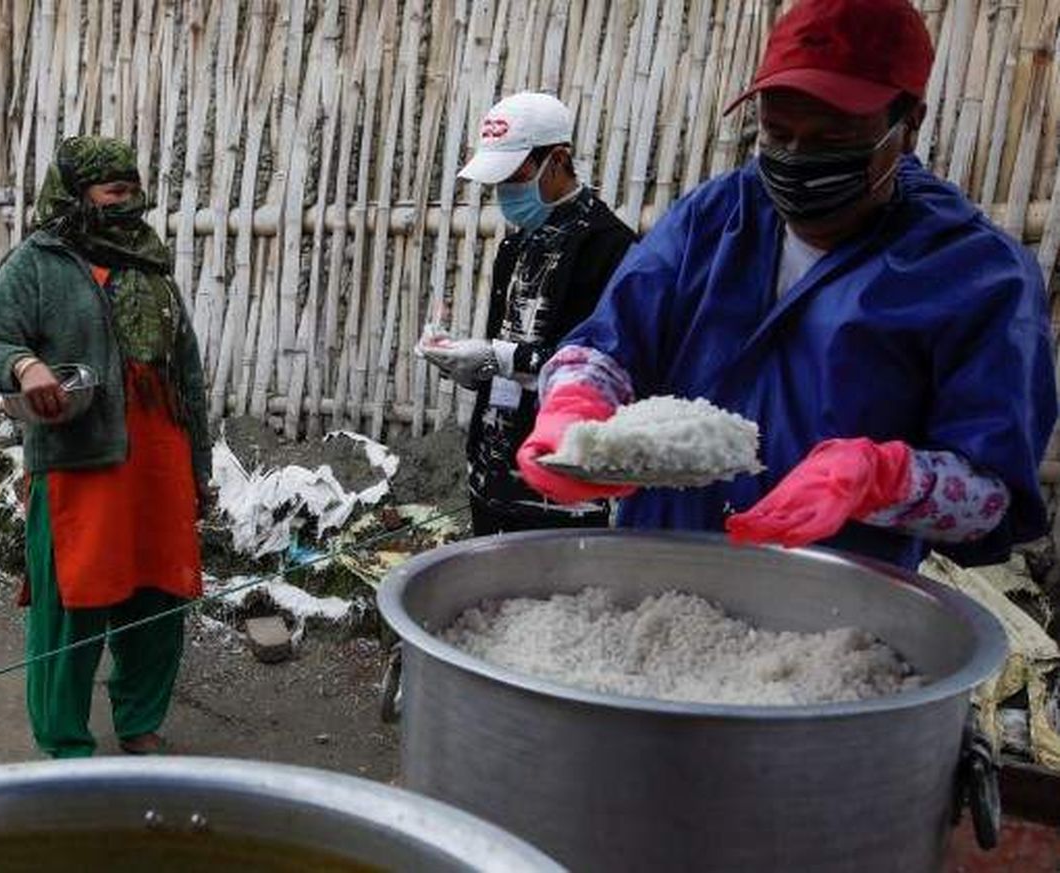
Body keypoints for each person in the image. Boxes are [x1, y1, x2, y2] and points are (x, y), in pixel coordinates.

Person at [516, 0, 1056, 569]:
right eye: (777, 132)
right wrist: (574, 406)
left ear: (910, 125)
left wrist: (881, 479)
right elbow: (606, 346)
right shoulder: (716, 216)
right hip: (659, 569)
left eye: (833, 139)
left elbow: (990, 496)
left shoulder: (976, 273)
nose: (798, 159)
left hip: (829, 608)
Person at [0, 135, 210, 758]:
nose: (128, 203)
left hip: (160, 462)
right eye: (114, 191)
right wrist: (26, 367)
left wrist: (200, 470)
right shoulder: (36, 263)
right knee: (74, 604)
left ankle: (139, 720)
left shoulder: (150, 267)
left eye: (133, 191)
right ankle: (64, 740)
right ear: (76, 194)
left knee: (159, 599)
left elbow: (187, 377)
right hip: (81, 462)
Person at [418, 92, 635, 536]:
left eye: (515, 175)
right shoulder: (514, 245)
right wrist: (467, 364)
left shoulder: (612, 248)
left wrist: (499, 357)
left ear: (557, 160)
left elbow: (608, 369)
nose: (505, 193)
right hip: (492, 475)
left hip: (563, 488)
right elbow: (509, 353)